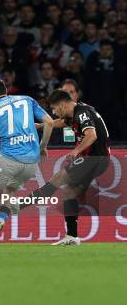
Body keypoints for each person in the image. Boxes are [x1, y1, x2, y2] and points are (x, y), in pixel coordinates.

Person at [11, 89, 111, 245]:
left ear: (63, 105)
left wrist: (76, 150)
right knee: (69, 192)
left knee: (58, 179)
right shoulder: (74, 113)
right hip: (97, 159)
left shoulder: (82, 113)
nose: (53, 112)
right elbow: (61, 122)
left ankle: (19, 205)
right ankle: (72, 236)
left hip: (94, 158)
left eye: (54, 108)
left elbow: (92, 135)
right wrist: (40, 125)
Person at [0, 76, 53, 247]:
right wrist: (42, 146)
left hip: (9, 161)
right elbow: (49, 122)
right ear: (5, 90)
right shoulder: (27, 100)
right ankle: (1, 218)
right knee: (9, 191)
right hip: (31, 164)